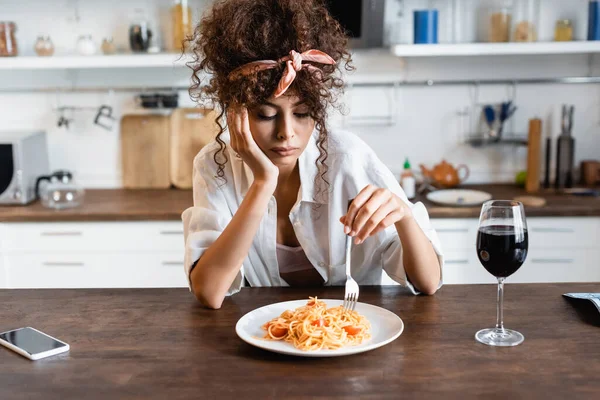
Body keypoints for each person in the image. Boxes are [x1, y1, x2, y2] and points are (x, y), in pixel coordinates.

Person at [182, 0, 443, 309]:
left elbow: (428, 282)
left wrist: (403, 215)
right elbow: (209, 292)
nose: (286, 133)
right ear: (236, 111)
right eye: (266, 115)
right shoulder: (215, 165)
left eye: (303, 113)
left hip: (350, 334)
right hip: (267, 336)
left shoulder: (348, 157)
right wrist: (263, 182)